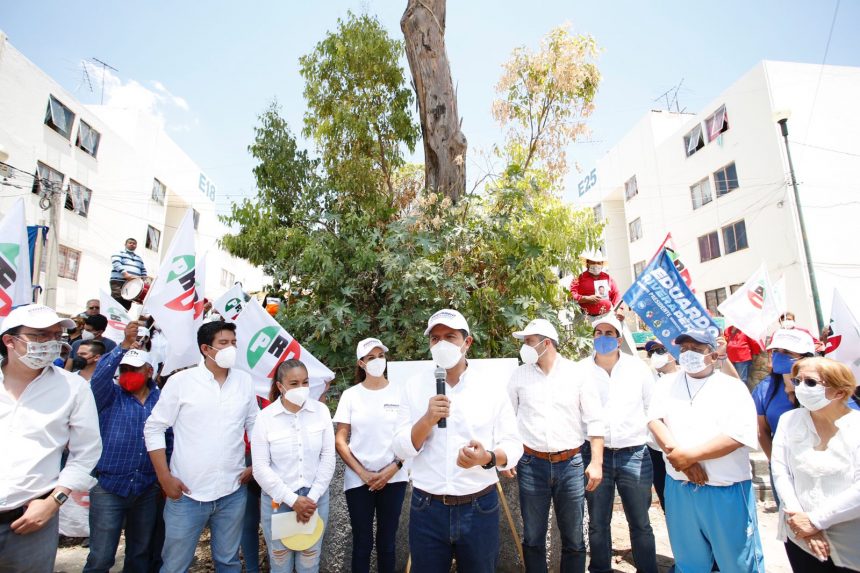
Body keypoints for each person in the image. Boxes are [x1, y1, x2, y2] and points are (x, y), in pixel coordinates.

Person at [393, 309, 523, 572]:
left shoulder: (490, 387)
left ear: (467, 342)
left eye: (449, 336)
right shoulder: (414, 386)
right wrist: (426, 421)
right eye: (435, 338)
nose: (441, 344)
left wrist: (486, 458)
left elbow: (513, 444)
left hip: (479, 507)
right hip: (427, 508)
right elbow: (399, 446)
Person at [144, 321, 258, 573]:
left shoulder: (244, 382)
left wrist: (255, 466)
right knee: (175, 565)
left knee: (228, 561)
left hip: (232, 491)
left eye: (234, 343)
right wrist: (164, 477)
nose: (232, 348)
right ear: (206, 348)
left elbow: (255, 426)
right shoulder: (181, 382)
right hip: (187, 494)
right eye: (224, 343)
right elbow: (154, 428)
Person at [648, 328, 765, 573]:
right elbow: (655, 421)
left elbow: (737, 436)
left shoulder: (733, 388)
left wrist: (690, 456)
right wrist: (683, 460)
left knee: (737, 562)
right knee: (690, 562)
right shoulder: (666, 384)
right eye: (684, 348)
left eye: (697, 349)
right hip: (680, 485)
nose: (689, 353)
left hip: (725, 488)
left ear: (712, 354)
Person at [0, 304, 102, 573]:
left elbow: (87, 453)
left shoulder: (73, 388)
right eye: (39, 336)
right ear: (9, 340)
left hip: (32, 522)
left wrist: (53, 502)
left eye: (56, 336)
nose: (50, 343)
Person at [506, 318, 604, 572]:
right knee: (533, 536)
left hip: (571, 464)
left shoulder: (577, 374)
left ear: (546, 343)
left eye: (529, 341)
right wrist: (507, 457)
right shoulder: (518, 376)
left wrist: (596, 463)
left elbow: (595, 421)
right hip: (530, 464)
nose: (524, 347)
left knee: (573, 537)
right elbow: (507, 420)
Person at [84, 323, 166, 573]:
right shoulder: (110, 395)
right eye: (124, 369)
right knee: (101, 556)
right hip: (110, 486)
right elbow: (99, 377)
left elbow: (169, 437)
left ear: (149, 371)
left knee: (139, 554)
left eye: (135, 369)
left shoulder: (161, 399)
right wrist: (122, 347)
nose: (128, 373)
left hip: (146, 487)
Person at [580, 316, 657, 573]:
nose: (602, 337)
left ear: (619, 339)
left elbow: (651, 408)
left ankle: (647, 569)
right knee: (598, 522)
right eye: (598, 333)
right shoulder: (580, 371)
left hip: (634, 454)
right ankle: (600, 569)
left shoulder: (638, 369)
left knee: (640, 522)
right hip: (594, 456)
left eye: (609, 333)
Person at [772, 357, 860, 572]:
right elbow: (780, 471)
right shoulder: (789, 420)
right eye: (797, 381)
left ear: (839, 392)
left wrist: (816, 521)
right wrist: (799, 520)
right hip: (798, 531)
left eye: (810, 382)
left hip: (848, 534)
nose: (801, 388)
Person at [252, 359, 335, 573]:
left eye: (305, 382)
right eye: (294, 383)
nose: (301, 388)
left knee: (310, 563)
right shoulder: (265, 418)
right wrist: (293, 500)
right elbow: (260, 467)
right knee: (280, 565)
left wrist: (311, 499)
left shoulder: (321, 412)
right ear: (280, 387)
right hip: (279, 502)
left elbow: (327, 457)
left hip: (314, 501)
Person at [333, 338, 408, 573]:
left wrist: (393, 468)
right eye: (371, 357)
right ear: (361, 363)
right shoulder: (350, 395)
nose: (378, 361)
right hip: (358, 480)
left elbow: (412, 437)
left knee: (387, 542)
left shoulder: (402, 392)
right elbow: (340, 440)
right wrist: (363, 473)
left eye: (381, 356)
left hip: (394, 477)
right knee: (362, 543)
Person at [752, 329, 815, 508]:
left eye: (787, 352)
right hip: (783, 465)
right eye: (776, 351)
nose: (780, 356)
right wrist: (776, 463)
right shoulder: (765, 389)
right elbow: (762, 431)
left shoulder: (822, 385)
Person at [569, 251, 621, 318]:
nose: (596, 265)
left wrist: (619, 309)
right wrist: (586, 299)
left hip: (606, 317)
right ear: (587, 263)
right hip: (585, 318)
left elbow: (616, 294)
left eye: (599, 263)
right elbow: (571, 295)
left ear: (602, 264)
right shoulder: (578, 279)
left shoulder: (608, 278)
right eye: (593, 262)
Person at [110, 238, 147, 311]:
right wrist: (125, 274)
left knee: (127, 302)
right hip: (119, 281)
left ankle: (123, 320)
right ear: (125, 244)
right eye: (130, 243)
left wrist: (142, 279)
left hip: (133, 283)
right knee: (117, 301)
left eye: (134, 244)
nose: (132, 244)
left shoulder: (138, 258)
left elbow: (143, 269)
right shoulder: (119, 253)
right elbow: (116, 263)